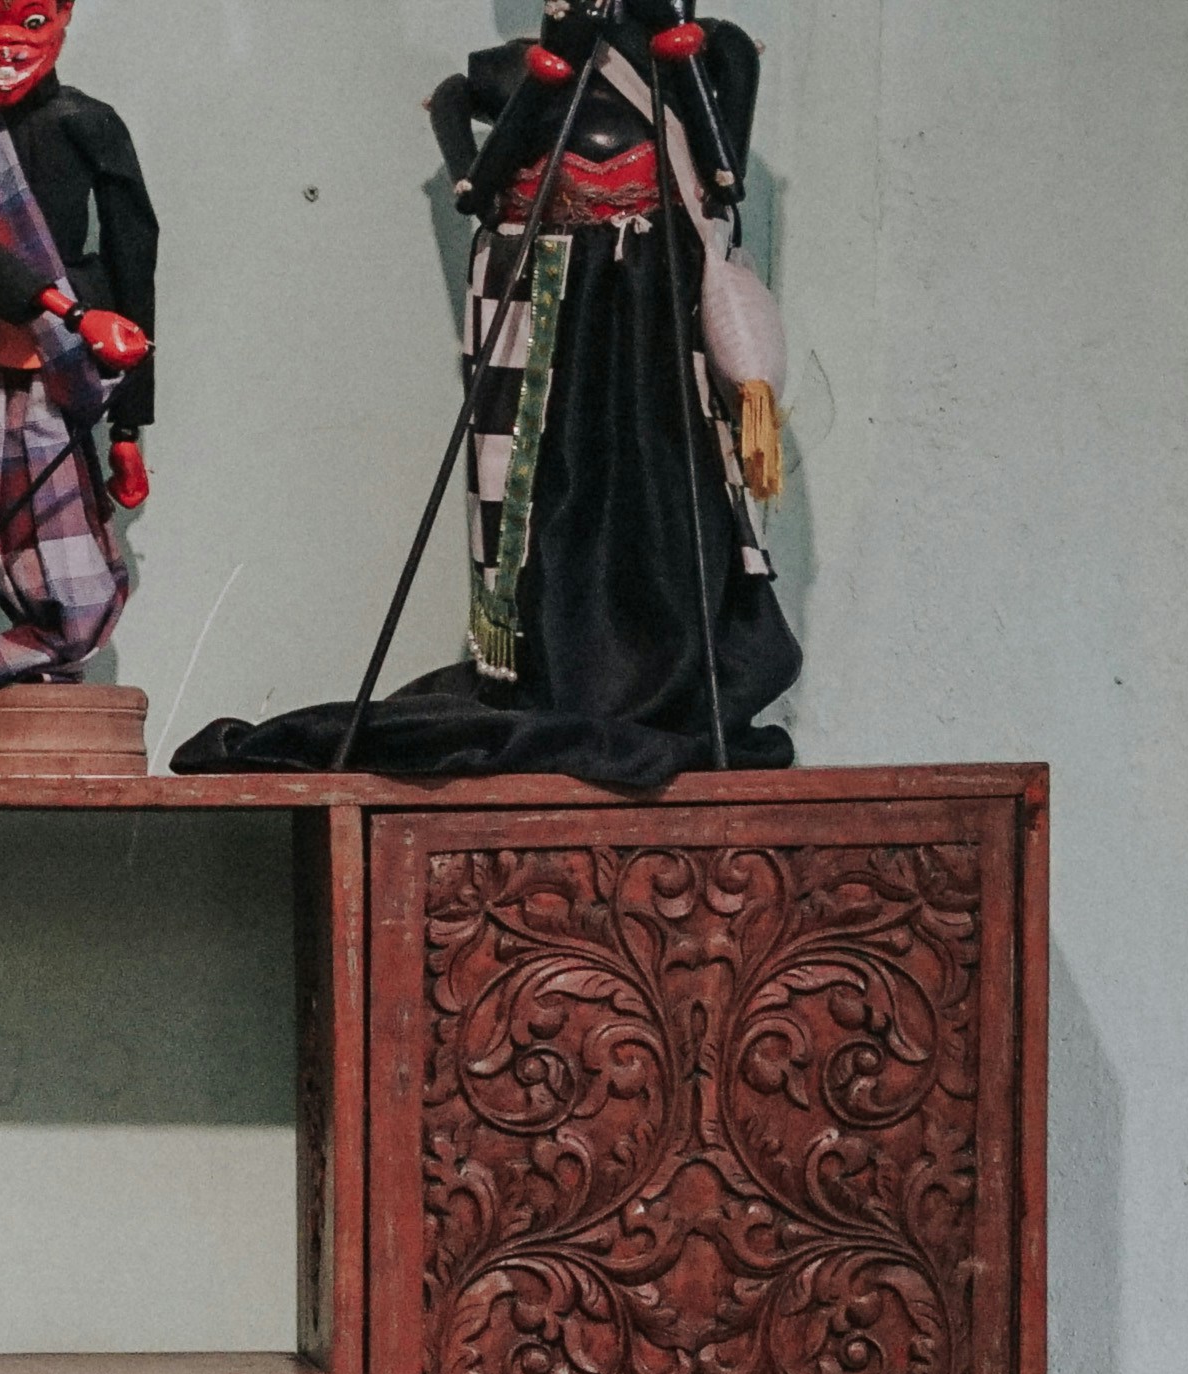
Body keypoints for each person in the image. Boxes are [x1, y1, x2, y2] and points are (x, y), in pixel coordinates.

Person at [185, 0, 791, 792]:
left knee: (671, 488)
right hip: (543, 302)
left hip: (657, 302)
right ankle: (558, 670)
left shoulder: (715, 55)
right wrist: (557, 60)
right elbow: (480, 189)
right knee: (547, 491)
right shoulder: (497, 71)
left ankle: (676, 677)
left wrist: (664, 45)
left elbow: (722, 174)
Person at [0, 0, 153, 713]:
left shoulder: (90, 123)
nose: (7, 43)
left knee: (76, 549)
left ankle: (15, 654)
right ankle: (34, 650)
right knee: (9, 534)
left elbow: (137, 261)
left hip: (71, 366)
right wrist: (69, 309)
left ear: (65, 15)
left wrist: (131, 428)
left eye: (32, 22)